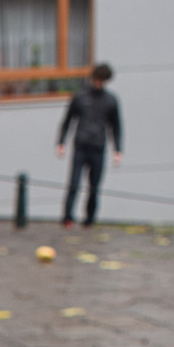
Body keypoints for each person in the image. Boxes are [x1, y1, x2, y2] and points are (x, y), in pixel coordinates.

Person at [56, 63, 122, 227]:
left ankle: (90, 219)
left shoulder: (110, 100)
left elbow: (116, 126)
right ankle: (68, 217)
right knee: (74, 183)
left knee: (94, 187)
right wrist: (61, 142)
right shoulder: (80, 96)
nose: (99, 83)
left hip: (98, 147)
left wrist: (118, 149)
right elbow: (68, 120)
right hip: (81, 146)